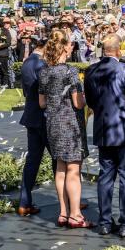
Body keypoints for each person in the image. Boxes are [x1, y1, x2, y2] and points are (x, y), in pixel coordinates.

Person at [84, 33, 125, 238]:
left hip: (104, 128)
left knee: (105, 176)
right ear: (118, 50)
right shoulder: (123, 68)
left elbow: (91, 100)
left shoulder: (91, 70)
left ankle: (104, 222)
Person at [39, 29, 92, 229]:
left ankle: (63, 212)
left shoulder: (44, 72)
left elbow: (42, 102)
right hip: (70, 124)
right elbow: (78, 103)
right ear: (63, 49)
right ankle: (76, 215)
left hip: (52, 123)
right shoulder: (70, 72)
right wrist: (89, 98)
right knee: (73, 170)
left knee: (60, 168)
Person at [17, 34, 47, 217]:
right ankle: (67, 203)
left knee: (32, 161)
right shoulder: (41, 65)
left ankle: (24, 201)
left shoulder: (27, 62)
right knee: (58, 161)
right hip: (43, 116)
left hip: (30, 115)